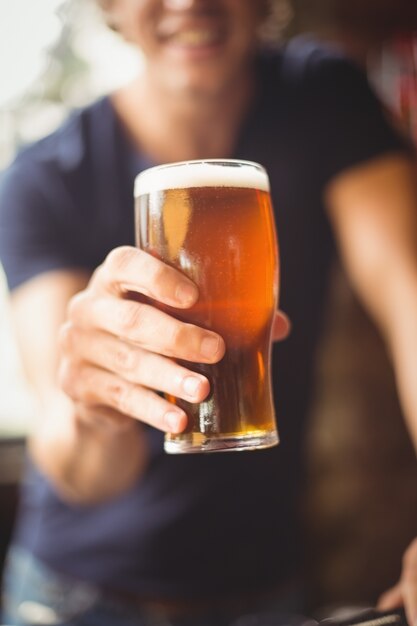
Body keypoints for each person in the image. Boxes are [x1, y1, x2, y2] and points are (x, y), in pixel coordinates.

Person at [0, 0, 417, 624]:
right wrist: (94, 409)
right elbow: (76, 470)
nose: (189, 1)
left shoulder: (321, 98)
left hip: (264, 581)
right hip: (78, 595)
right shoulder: (42, 177)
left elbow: (408, 291)